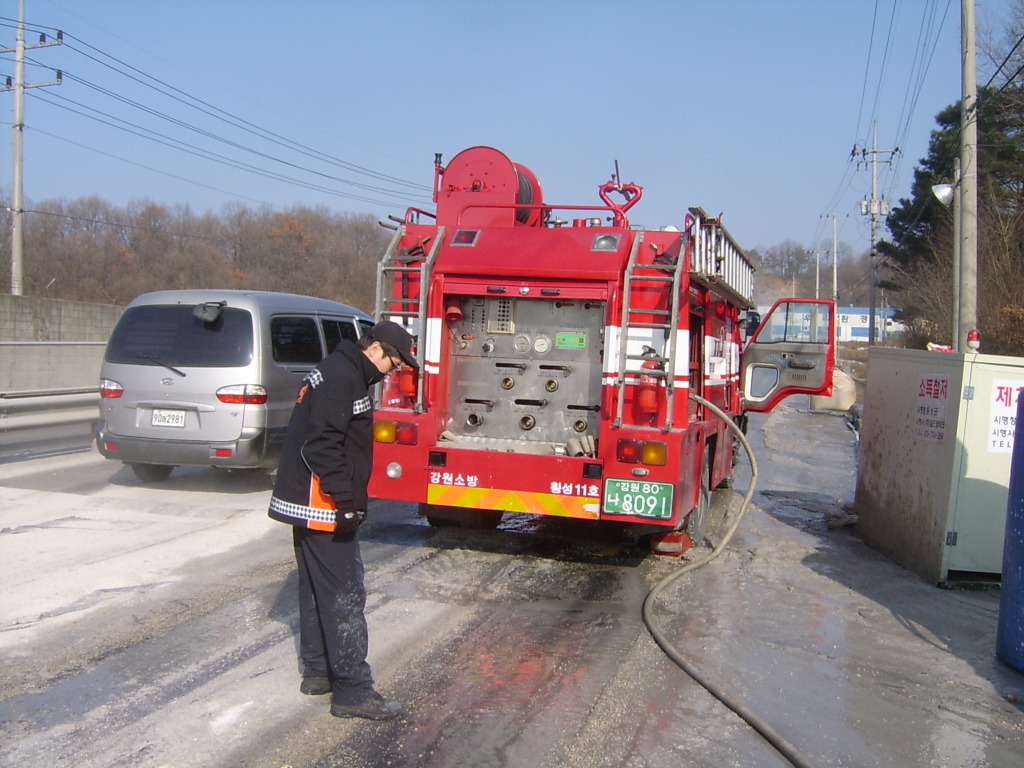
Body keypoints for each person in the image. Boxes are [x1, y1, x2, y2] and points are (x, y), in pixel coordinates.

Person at [268, 320, 418, 720]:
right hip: (323, 504)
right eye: (394, 363)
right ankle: (352, 690)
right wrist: (346, 500)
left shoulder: (338, 369)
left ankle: (318, 672)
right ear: (376, 349)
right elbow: (321, 445)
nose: (392, 372)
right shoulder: (341, 376)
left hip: (310, 502)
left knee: (316, 589)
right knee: (344, 594)